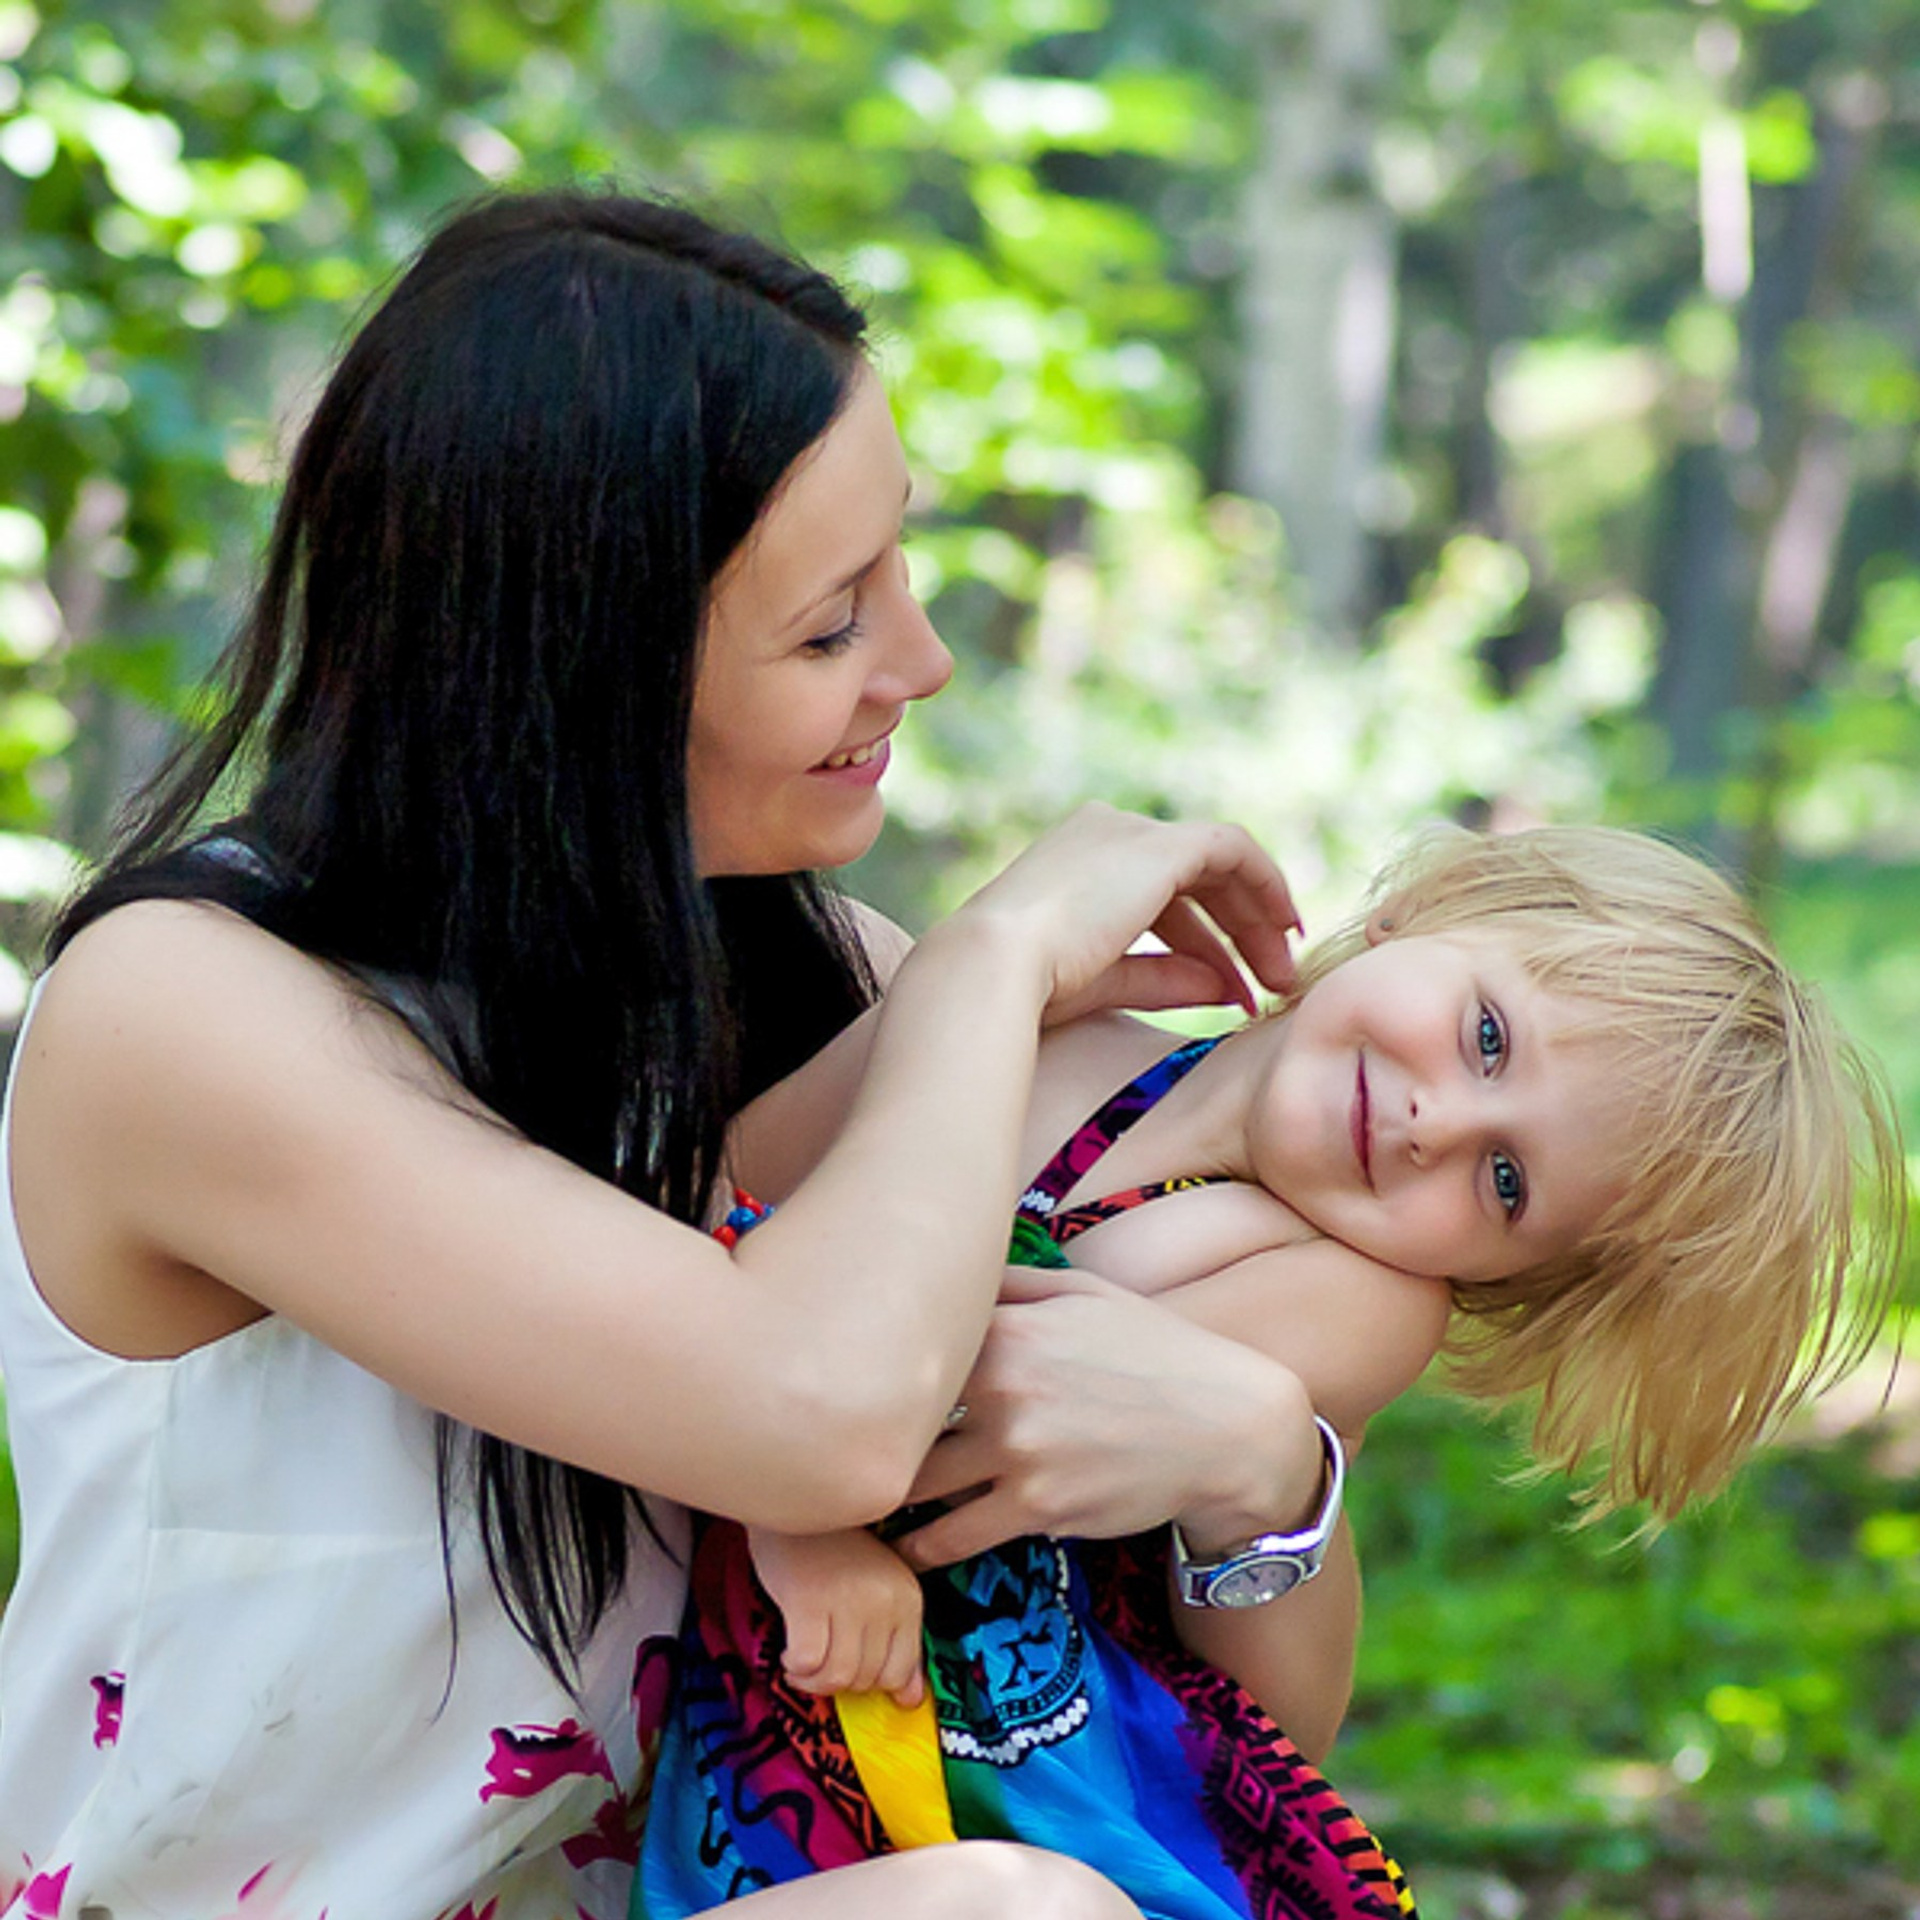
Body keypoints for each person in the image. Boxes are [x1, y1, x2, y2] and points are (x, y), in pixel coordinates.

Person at [0, 188, 1334, 1920]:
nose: (918, 663)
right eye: (833, 622)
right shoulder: (183, 1014)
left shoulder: (782, 982)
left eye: (897, 569)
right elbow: (820, 1419)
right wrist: (996, 960)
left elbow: (1232, 1773)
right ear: (572, 668)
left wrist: (1261, 1463)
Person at [634, 824, 1907, 1920]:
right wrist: (971, 987)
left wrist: (795, 1502)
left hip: (982, 1753)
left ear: (1507, 1277)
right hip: (793, 1607)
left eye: (1506, 1184)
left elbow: (956, 1392)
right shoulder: (1056, 1032)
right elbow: (738, 1179)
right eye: (1485, 1037)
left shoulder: (1353, 1293)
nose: (1437, 1125)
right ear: (1423, 915)